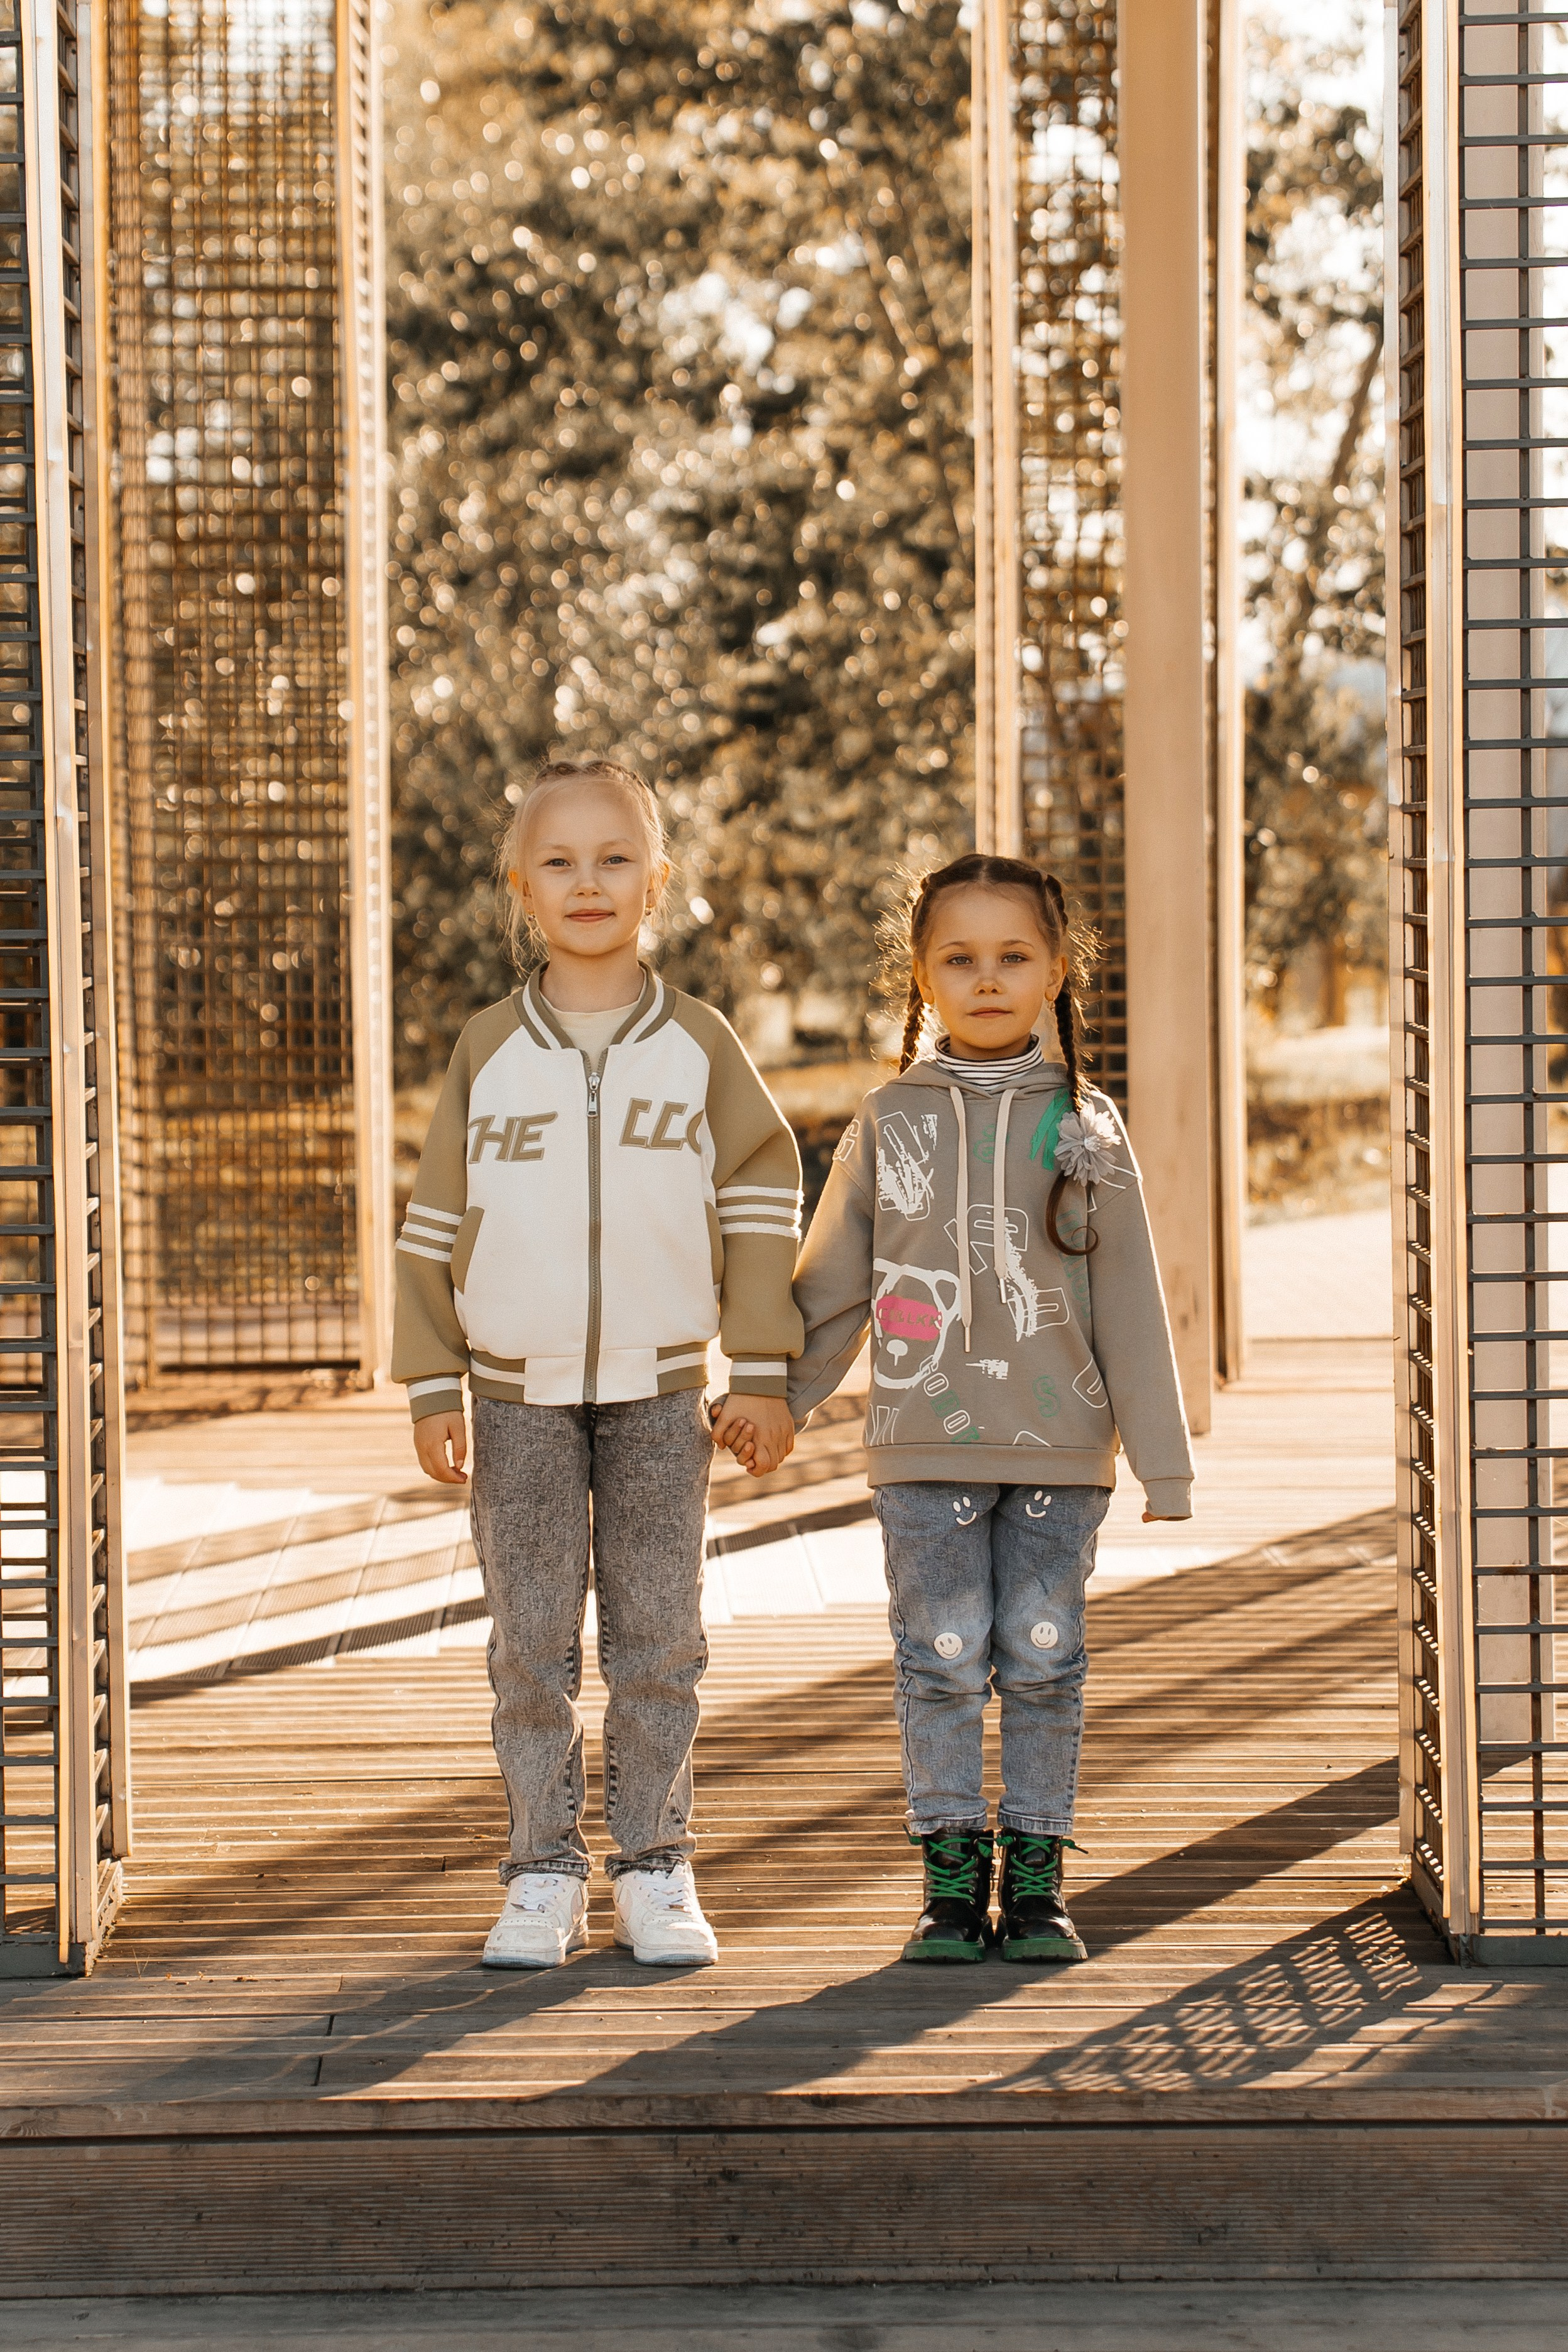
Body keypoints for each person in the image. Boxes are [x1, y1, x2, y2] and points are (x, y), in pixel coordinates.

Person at [391, 756, 801, 1970]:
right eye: (559, 861)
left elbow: (762, 1199)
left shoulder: (702, 1047)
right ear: (522, 887)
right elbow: (431, 1224)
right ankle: (542, 1870)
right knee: (529, 1645)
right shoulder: (487, 1051)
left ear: (656, 881)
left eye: (615, 858)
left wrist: (762, 1366)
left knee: (659, 1641)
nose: (588, 882)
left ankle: (657, 1864)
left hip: (662, 1394)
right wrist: (432, 1380)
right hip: (512, 1399)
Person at [785, 851, 1194, 1964]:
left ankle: (1042, 1883)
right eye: (959, 959)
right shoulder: (888, 1119)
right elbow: (834, 1285)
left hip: (1063, 1451)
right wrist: (779, 1400)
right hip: (921, 1449)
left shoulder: (1088, 1124)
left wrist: (1162, 1461)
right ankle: (953, 1887)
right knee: (945, 1657)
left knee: (1045, 1659)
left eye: (1014, 957)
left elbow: (1130, 1297)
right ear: (921, 976)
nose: (988, 979)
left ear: (1057, 972)